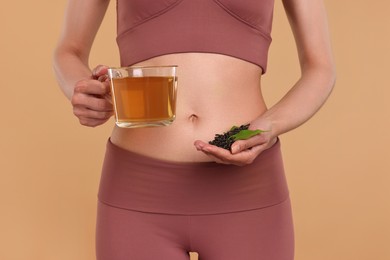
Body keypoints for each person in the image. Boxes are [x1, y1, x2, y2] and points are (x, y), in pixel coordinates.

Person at [53, 0, 335, 259]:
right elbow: (70, 50)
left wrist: (270, 125)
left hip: (248, 190)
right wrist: (82, 90)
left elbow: (320, 68)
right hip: (136, 190)